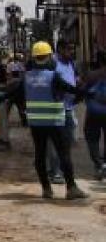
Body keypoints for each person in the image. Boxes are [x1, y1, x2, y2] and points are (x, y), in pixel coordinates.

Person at [23, 41, 88, 200]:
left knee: (40, 154)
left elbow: (13, 93)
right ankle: (71, 188)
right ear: (48, 57)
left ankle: (46, 189)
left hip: (36, 124)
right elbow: (70, 89)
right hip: (55, 122)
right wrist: (87, 92)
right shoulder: (53, 76)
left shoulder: (27, 77)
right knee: (64, 154)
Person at [47, 40, 79, 184]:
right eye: (69, 49)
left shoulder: (71, 63)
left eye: (73, 49)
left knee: (69, 141)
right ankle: (56, 172)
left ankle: (59, 167)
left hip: (70, 108)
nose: (72, 52)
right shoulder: (53, 64)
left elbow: (73, 80)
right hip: (57, 108)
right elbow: (55, 84)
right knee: (56, 142)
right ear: (59, 49)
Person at [83, 50, 106, 180]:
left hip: (94, 112)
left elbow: (83, 91)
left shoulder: (92, 75)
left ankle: (99, 165)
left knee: (92, 138)